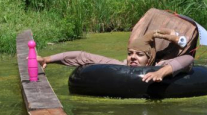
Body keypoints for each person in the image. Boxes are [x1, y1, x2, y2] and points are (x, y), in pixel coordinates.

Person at [37, 28, 194, 83]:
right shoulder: (120, 65)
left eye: (139, 54)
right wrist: (47, 59)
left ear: (149, 58)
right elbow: (82, 56)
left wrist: (161, 72)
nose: (133, 57)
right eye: (130, 53)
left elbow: (188, 60)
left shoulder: (158, 66)